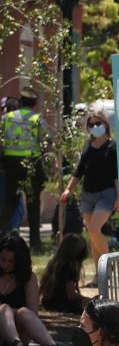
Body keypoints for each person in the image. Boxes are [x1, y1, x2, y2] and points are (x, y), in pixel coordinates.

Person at [59, 110, 118, 278]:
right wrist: (68, 189)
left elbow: (116, 175)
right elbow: (79, 170)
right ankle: (100, 277)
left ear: (105, 124)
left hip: (106, 194)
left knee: (94, 229)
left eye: (98, 123)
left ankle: (108, 266)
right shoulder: (87, 145)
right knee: (92, 235)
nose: (94, 127)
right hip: (87, 195)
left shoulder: (112, 146)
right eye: (91, 124)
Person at [0, 235, 69, 346]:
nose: (5, 264)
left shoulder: (28, 278)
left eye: (11, 261)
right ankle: (14, 341)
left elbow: (33, 312)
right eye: (3, 259)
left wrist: (12, 312)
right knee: (4, 308)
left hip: (21, 335)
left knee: (24, 312)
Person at [2, 87, 47, 250]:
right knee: (33, 204)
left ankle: (1, 237)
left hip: (11, 165)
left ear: (20, 101)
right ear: (35, 103)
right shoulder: (37, 119)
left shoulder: (7, 118)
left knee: (10, 203)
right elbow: (44, 142)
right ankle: (35, 243)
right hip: (31, 165)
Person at [41, 233, 89, 313]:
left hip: (48, 302)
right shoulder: (68, 267)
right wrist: (87, 299)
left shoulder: (56, 263)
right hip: (61, 304)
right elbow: (71, 294)